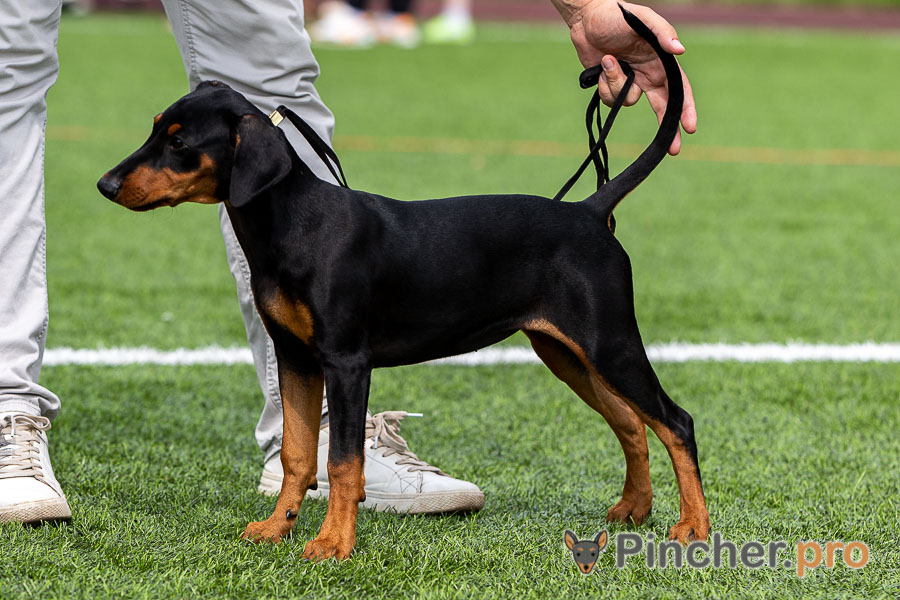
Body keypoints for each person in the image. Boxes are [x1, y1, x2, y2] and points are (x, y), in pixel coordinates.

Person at [0, 0, 695, 524]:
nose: (137, 171)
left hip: (555, 251)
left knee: (614, 369)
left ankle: (675, 484)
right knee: (301, 358)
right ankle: (286, 492)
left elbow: (348, 365)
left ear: (247, 162)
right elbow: (301, 365)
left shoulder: (316, 234)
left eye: (177, 149)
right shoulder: (276, 256)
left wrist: (584, 6)